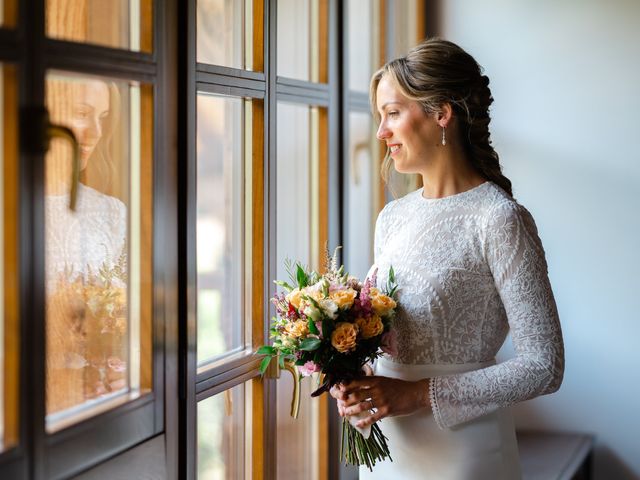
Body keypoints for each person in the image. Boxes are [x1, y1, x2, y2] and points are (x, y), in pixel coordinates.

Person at [330, 38, 564, 479]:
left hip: (465, 454)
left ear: (441, 113)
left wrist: (417, 395)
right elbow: (391, 335)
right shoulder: (392, 217)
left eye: (393, 113)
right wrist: (351, 374)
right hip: (389, 453)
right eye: (380, 116)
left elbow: (544, 365)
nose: (381, 132)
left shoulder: (500, 219)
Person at [45, 76, 128, 414]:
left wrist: (119, 370)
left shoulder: (110, 213)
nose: (96, 133)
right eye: (82, 113)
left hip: (91, 408)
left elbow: (122, 321)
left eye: (103, 118)